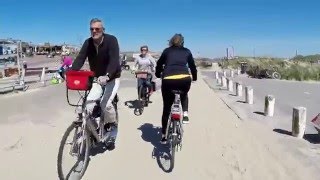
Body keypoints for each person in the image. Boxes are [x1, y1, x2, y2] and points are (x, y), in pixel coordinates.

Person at [70, 18, 121, 148]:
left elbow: (114, 61)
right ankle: (93, 129)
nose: (94, 31)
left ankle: (112, 125)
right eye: (92, 29)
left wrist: (108, 75)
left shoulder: (111, 40)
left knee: (105, 103)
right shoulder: (88, 43)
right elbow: (80, 58)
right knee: (88, 104)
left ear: (103, 30)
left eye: (97, 29)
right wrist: (70, 72)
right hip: (97, 78)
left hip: (112, 77)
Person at [155, 33, 197, 144]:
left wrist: (158, 74)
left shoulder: (167, 51)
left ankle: (164, 135)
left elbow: (159, 64)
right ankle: (186, 114)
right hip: (184, 79)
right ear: (182, 42)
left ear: (171, 41)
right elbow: (192, 66)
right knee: (184, 94)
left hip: (168, 79)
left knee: (167, 108)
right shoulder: (187, 51)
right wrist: (195, 77)